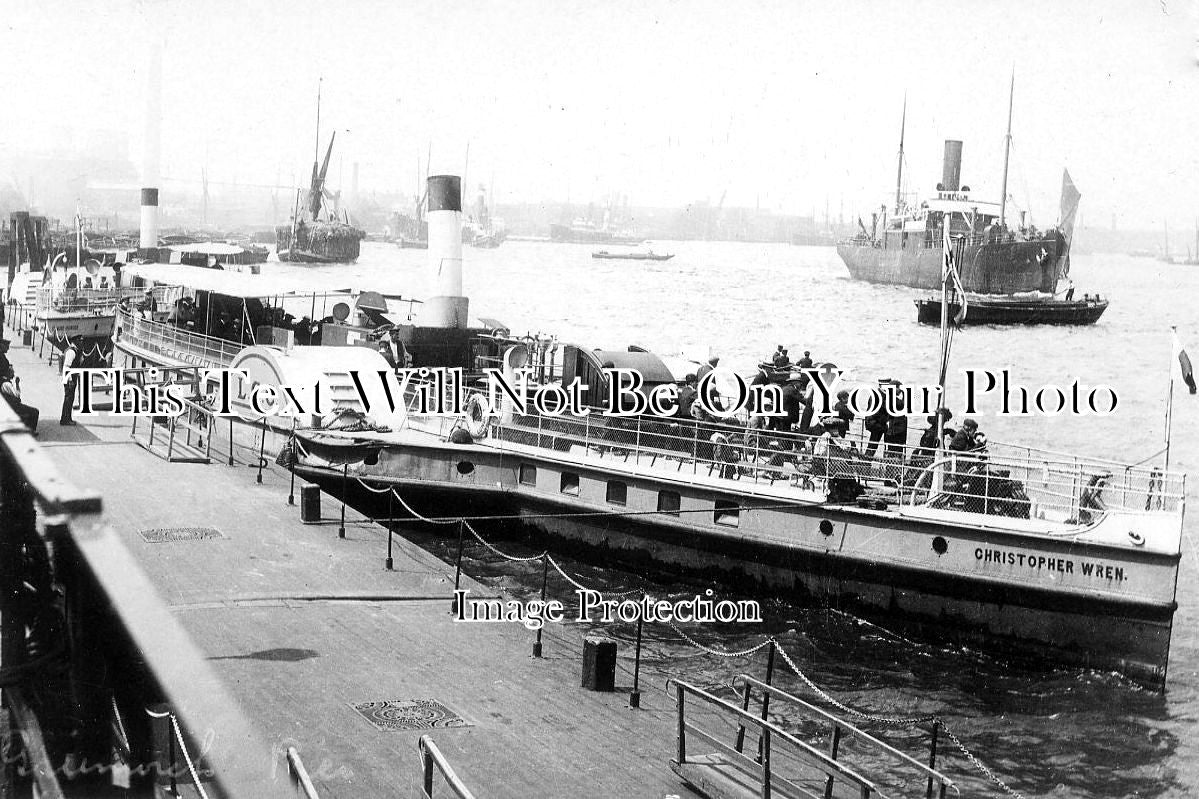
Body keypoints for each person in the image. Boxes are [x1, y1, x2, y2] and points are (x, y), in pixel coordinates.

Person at [60, 336, 83, 426]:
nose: (81, 342)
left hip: (72, 378)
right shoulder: (71, 352)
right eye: (80, 341)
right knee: (68, 399)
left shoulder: (76, 351)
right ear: (75, 341)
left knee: (70, 398)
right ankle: (65, 419)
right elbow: (66, 366)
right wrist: (70, 380)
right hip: (69, 379)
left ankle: (67, 418)